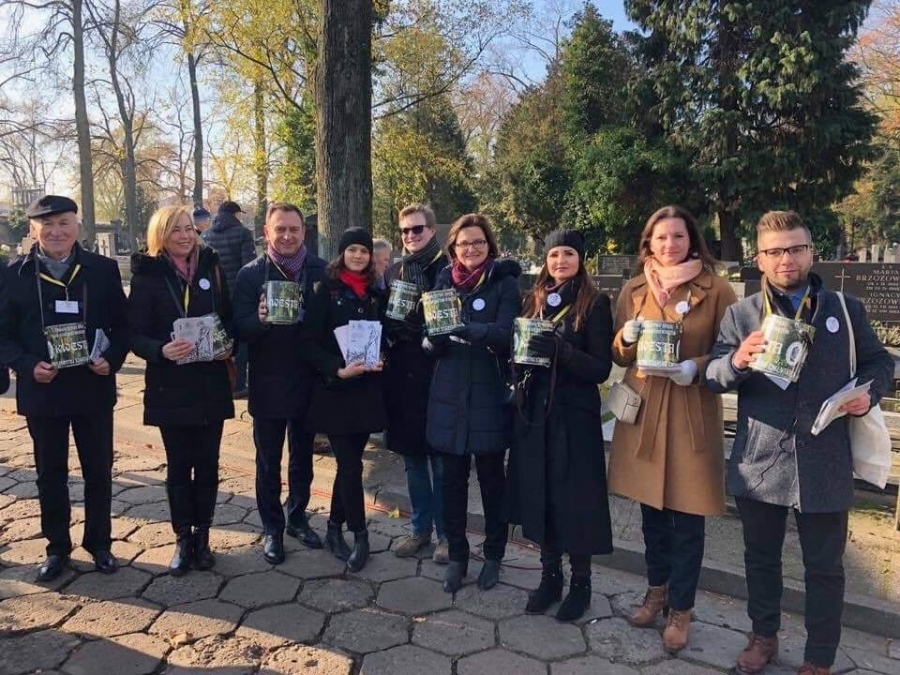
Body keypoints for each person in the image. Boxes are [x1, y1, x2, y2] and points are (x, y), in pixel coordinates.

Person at [706, 211, 893, 675]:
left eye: (795, 249)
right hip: (760, 460)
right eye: (774, 251)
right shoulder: (742, 313)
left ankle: (819, 656)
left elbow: (879, 363)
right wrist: (737, 360)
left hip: (824, 460)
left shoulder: (845, 311)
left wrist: (867, 394)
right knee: (760, 560)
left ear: (811, 253)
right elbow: (712, 374)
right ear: (759, 259)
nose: (785, 259)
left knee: (825, 569)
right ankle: (763, 637)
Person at [608, 205, 737, 652]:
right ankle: (656, 592)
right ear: (649, 242)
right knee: (651, 516)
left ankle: (681, 609)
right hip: (645, 411)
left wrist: (695, 367)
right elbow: (618, 354)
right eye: (661, 237)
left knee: (688, 518)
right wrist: (625, 338)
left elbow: (732, 351)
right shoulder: (634, 289)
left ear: (692, 240)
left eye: (678, 236)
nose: (669, 244)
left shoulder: (717, 290)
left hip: (689, 411)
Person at [0, 195, 129, 581]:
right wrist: (26, 365)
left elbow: (124, 325)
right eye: (47, 224)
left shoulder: (102, 270)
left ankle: (99, 543)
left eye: (64, 223)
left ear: (78, 227)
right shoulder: (13, 274)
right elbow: (3, 335)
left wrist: (113, 358)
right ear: (32, 229)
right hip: (43, 389)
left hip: (92, 386)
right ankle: (57, 547)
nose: (56, 231)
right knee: (50, 473)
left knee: (98, 470)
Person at [506, 229, 614, 621]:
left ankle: (581, 583)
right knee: (542, 495)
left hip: (574, 418)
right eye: (554, 254)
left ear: (580, 258)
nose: (560, 261)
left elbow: (601, 369)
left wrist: (563, 351)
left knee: (576, 501)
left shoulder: (595, 303)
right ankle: (549, 576)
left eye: (568, 253)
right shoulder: (532, 299)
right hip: (536, 415)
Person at [128, 206, 235, 575]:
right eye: (176, 230)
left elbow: (228, 319)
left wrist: (228, 345)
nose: (186, 236)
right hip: (169, 386)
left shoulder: (211, 267)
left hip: (209, 383)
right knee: (178, 466)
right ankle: (182, 538)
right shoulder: (148, 275)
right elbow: (134, 334)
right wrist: (160, 350)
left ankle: (203, 536)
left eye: (189, 228)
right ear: (161, 234)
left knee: (207, 465)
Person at [425, 213, 520, 593]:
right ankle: (458, 556)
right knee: (452, 484)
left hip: (488, 395)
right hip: (449, 396)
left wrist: (472, 331)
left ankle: (494, 555)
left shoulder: (504, 282)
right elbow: (432, 333)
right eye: (463, 243)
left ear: (489, 245)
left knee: (493, 483)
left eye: (478, 242)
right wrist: (432, 339)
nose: (471, 249)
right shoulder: (443, 280)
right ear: (453, 248)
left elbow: (508, 333)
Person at [233, 203, 327, 564]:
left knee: (303, 457)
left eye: (293, 229)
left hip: (308, 379)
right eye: (280, 229)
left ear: (304, 232)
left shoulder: (320, 270)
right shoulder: (250, 275)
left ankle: (297, 518)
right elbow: (238, 328)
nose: (287, 236)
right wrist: (258, 320)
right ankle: (272, 527)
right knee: (268, 461)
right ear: (266, 233)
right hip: (268, 380)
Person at [302, 227, 387, 572]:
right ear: (342, 254)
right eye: (352, 250)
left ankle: (334, 527)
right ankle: (360, 535)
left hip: (366, 392)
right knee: (351, 465)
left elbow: (383, 337)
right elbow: (308, 343)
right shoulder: (325, 290)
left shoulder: (376, 293)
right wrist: (336, 369)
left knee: (347, 467)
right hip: (335, 392)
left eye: (363, 251)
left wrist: (383, 358)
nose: (358, 256)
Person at [383, 204, 449, 564]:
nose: (410, 235)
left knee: (441, 463)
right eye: (405, 230)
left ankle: (446, 535)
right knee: (413, 462)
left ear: (432, 230)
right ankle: (420, 530)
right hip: (403, 379)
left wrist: (426, 330)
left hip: (437, 377)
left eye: (417, 229)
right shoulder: (394, 271)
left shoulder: (448, 268)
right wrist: (391, 329)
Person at [202, 200, 255, 397]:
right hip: (238, 295)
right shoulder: (243, 233)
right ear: (236, 214)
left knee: (219, 339)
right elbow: (248, 267)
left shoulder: (206, 235)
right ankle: (239, 383)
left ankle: (221, 381)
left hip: (215, 296)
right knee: (241, 340)